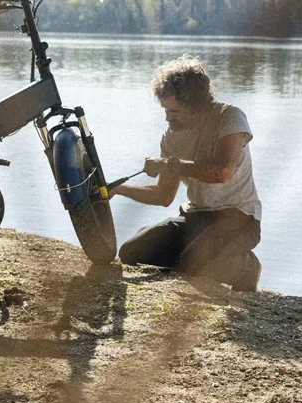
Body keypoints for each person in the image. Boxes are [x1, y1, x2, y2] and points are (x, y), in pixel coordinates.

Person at [111, 55, 262, 292]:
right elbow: (163, 196)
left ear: (195, 104)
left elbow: (221, 172)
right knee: (130, 252)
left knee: (191, 264)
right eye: (165, 110)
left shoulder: (229, 117)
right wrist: (117, 189)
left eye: (174, 110)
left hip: (238, 218)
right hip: (195, 218)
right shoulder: (171, 136)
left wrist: (170, 164)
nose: (167, 117)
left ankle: (246, 266)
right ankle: (192, 257)